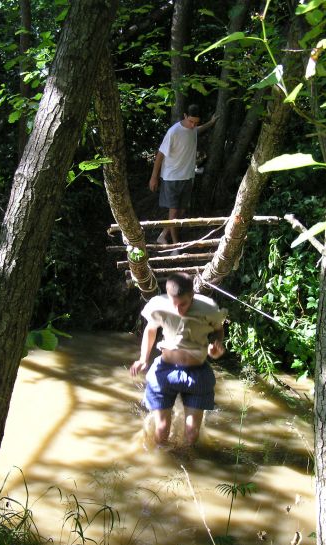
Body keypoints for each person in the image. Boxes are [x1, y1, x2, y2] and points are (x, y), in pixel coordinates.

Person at [130, 273, 227, 447]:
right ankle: (164, 465)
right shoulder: (159, 305)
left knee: (192, 434)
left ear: (192, 296)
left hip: (197, 373)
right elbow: (151, 330)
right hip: (165, 370)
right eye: (174, 304)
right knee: (161, 430)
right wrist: (143, 359)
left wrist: (216, 345)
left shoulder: (208, 309)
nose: (179, 310)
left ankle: (189, 463)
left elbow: (219, 329)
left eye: (183, 304)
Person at [149, 105, 218, 246]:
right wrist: (154, 177)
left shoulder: (193, 129)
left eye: (196, 122)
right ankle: (175, 244)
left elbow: (196, 130)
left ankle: (163, 235)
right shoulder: (173, 132)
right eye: (191, 121)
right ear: (185, 116)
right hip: (172, 177)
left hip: (187, 176)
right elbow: (160, 155)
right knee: (174, 212)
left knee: (181, 211)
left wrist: (210, 123)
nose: (193, 125)